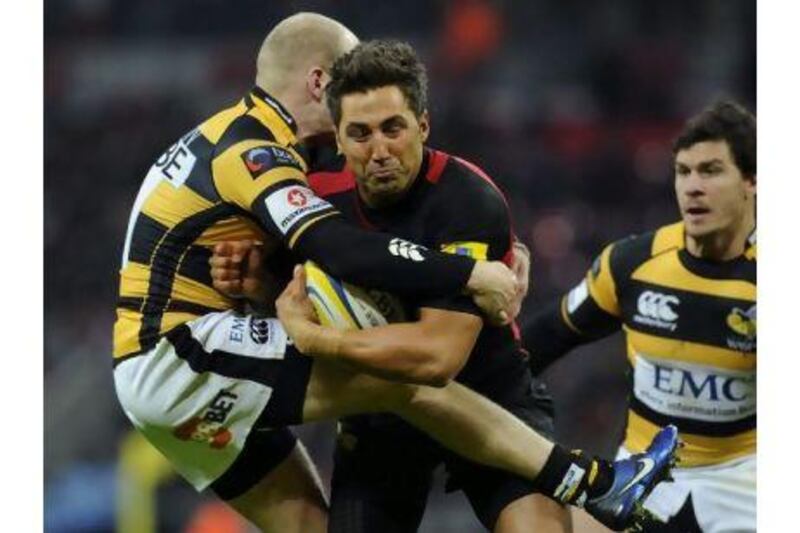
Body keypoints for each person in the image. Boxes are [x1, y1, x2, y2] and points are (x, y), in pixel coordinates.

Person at [209, 40, 676, 532]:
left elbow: (437, 359)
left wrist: (320, 340)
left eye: (394, 128)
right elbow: (284, 288)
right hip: (380, 419)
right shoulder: (312, 201)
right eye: (361, 134)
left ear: (423, 126)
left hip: (487, 398)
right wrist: (254, 282)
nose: (380, 150)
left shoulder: (468, 199)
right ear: (338, 142)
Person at [113, 12, 525, 532]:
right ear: (319, 83)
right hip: (185, 355)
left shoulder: (252, 136)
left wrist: (506, 246)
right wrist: (469, 273)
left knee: (311, 524)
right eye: (348, 81)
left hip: (153, 371)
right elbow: (339, 249)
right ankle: (582, 476)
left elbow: (377, 221)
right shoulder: (255, 149)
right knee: (405, 375)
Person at [522, 100, 756, 532]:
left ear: (751, 181)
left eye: (711, 171)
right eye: (683, 172)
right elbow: (544, 338)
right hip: (641, 478)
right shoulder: (631, 264)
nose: (693, 187)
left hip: (748, 484)